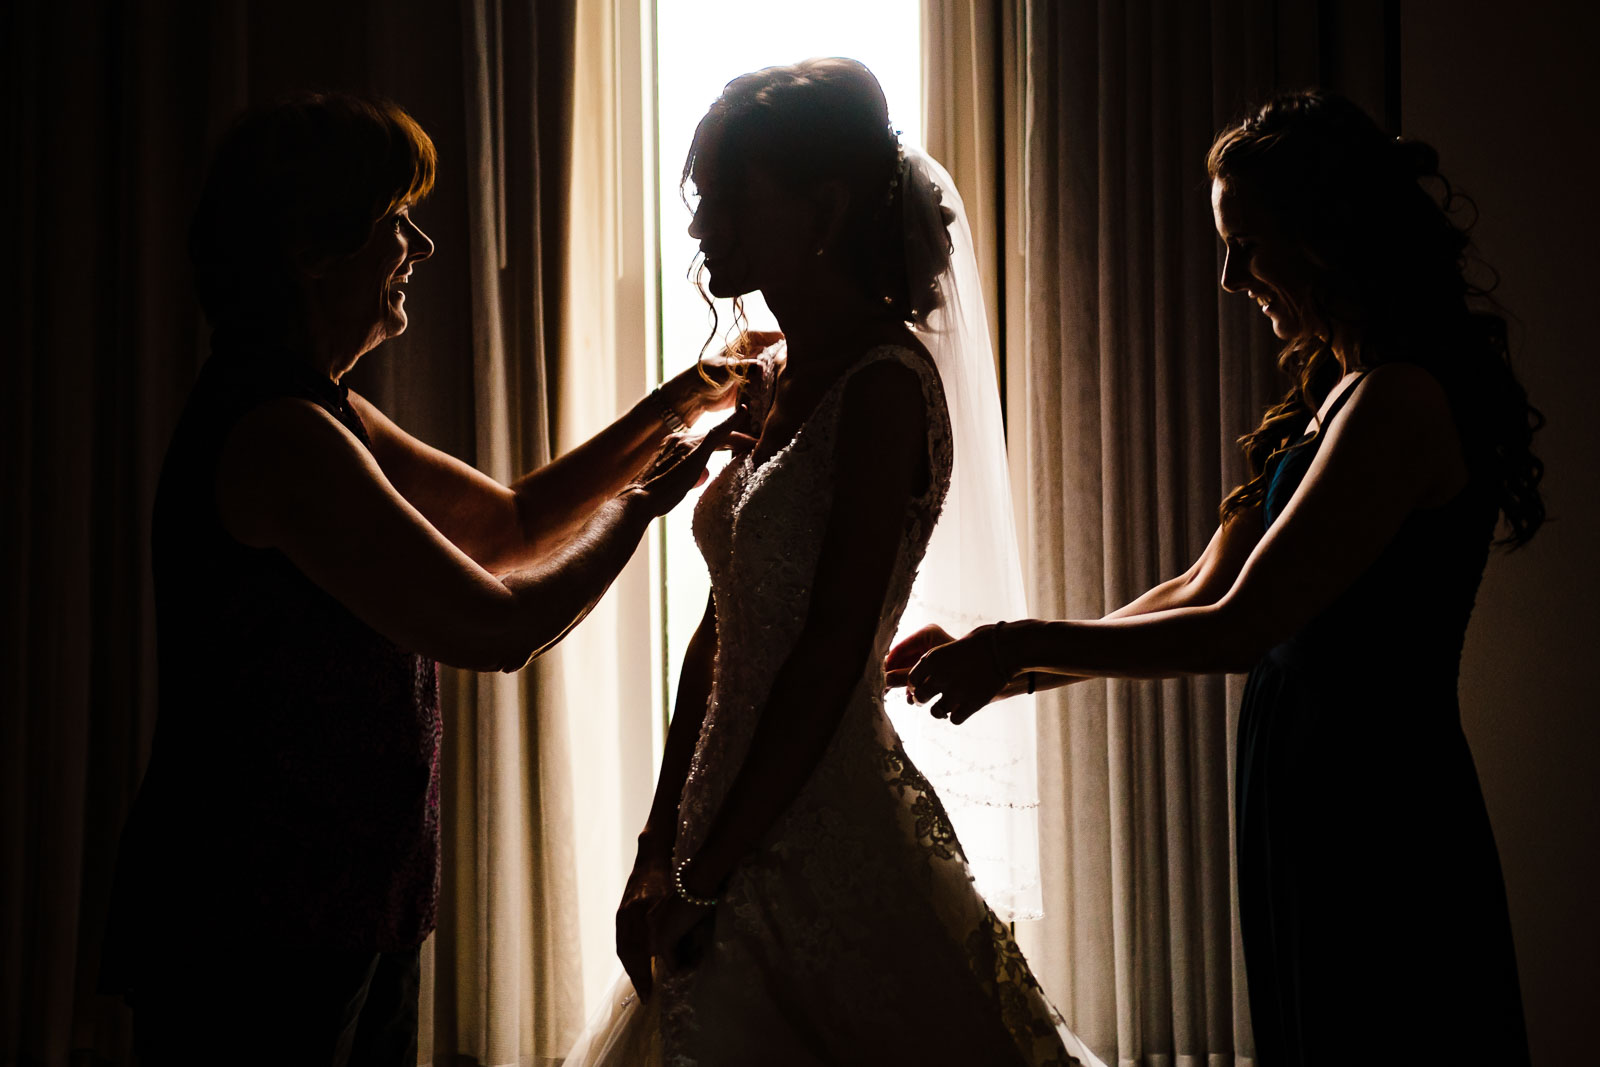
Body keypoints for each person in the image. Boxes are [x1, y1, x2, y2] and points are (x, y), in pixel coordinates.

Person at [100, 91, 766, 1066]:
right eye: (393, 221)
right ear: (312, 251)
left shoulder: (323, 410)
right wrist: (647, 502)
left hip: (353, 893)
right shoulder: (279, 436)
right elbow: (496, 624)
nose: (420, 245)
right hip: (254, 911)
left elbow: (509, 521)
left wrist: (690, 395)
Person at [896, 89, 1540, 1064]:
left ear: (1324, 232)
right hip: (1304, 778)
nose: (1233, 278)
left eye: (1247, 242)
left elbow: (1242, 626)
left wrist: (1018, 649)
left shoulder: (1399, 401)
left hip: (1376, 799)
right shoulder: (1336, 392)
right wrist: (1010, 660)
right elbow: (1199, 587)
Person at [562, 58, 1105, 1067]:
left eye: (726, 194)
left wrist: (705, 874)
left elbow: (826, 651)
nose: (698, 225)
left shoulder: (885, 385)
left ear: (823, 206)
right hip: (716, 813)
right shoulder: (772, 380)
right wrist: (657, 848)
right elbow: (719, 631)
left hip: (822, 804)